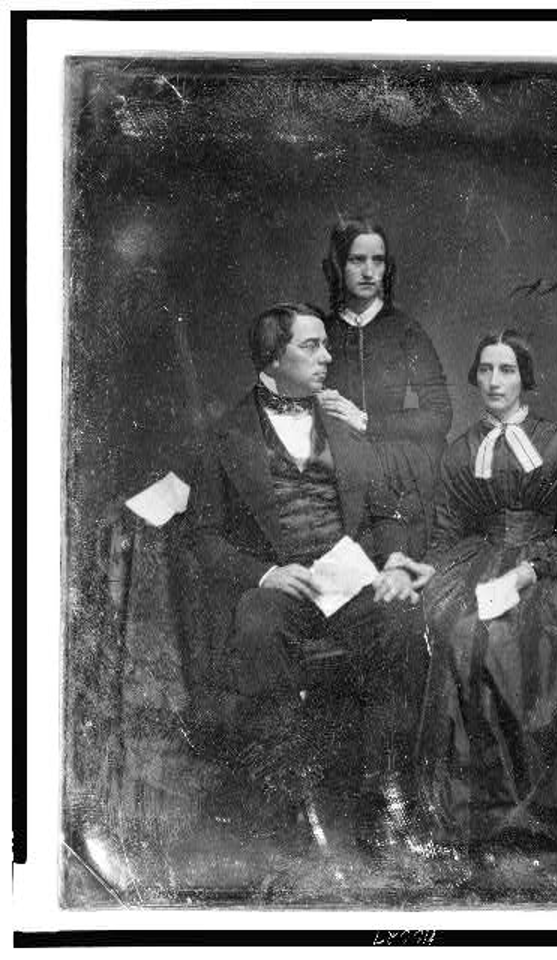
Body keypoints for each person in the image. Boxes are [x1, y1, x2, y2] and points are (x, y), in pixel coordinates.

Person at [187, 302, 427, 852]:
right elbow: (202, 538)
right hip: (284, 586)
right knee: (255, 624)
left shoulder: (342, 422)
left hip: (350, 577)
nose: (327, 356)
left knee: (403, 620)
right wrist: (266, 572)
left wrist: (392, 562)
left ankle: (385, 792)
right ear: (273, 358)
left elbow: (389, 510)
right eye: (311, 346)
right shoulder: (224, 436)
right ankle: (287, 797)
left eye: (327, 344)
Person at [407, 330, 557, 857]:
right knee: (466, 637)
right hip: (481, 565)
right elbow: (442, 538)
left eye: (506, 370)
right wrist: (430, 574)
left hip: (551, 574)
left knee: (542, 642)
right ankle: (484, 812)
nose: (494, 381)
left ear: (523, 377)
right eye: (485, 370)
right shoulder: (461, 452)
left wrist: (534, 568)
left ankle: (539, 807)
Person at [318, 216, 452, 557]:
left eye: (377, 261)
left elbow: (440, 415)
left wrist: (366, 422)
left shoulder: (405, 330)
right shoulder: (320, 332)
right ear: (338, 265)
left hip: (396, 468)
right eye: (356, 260)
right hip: (333, 467)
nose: (368, 272)